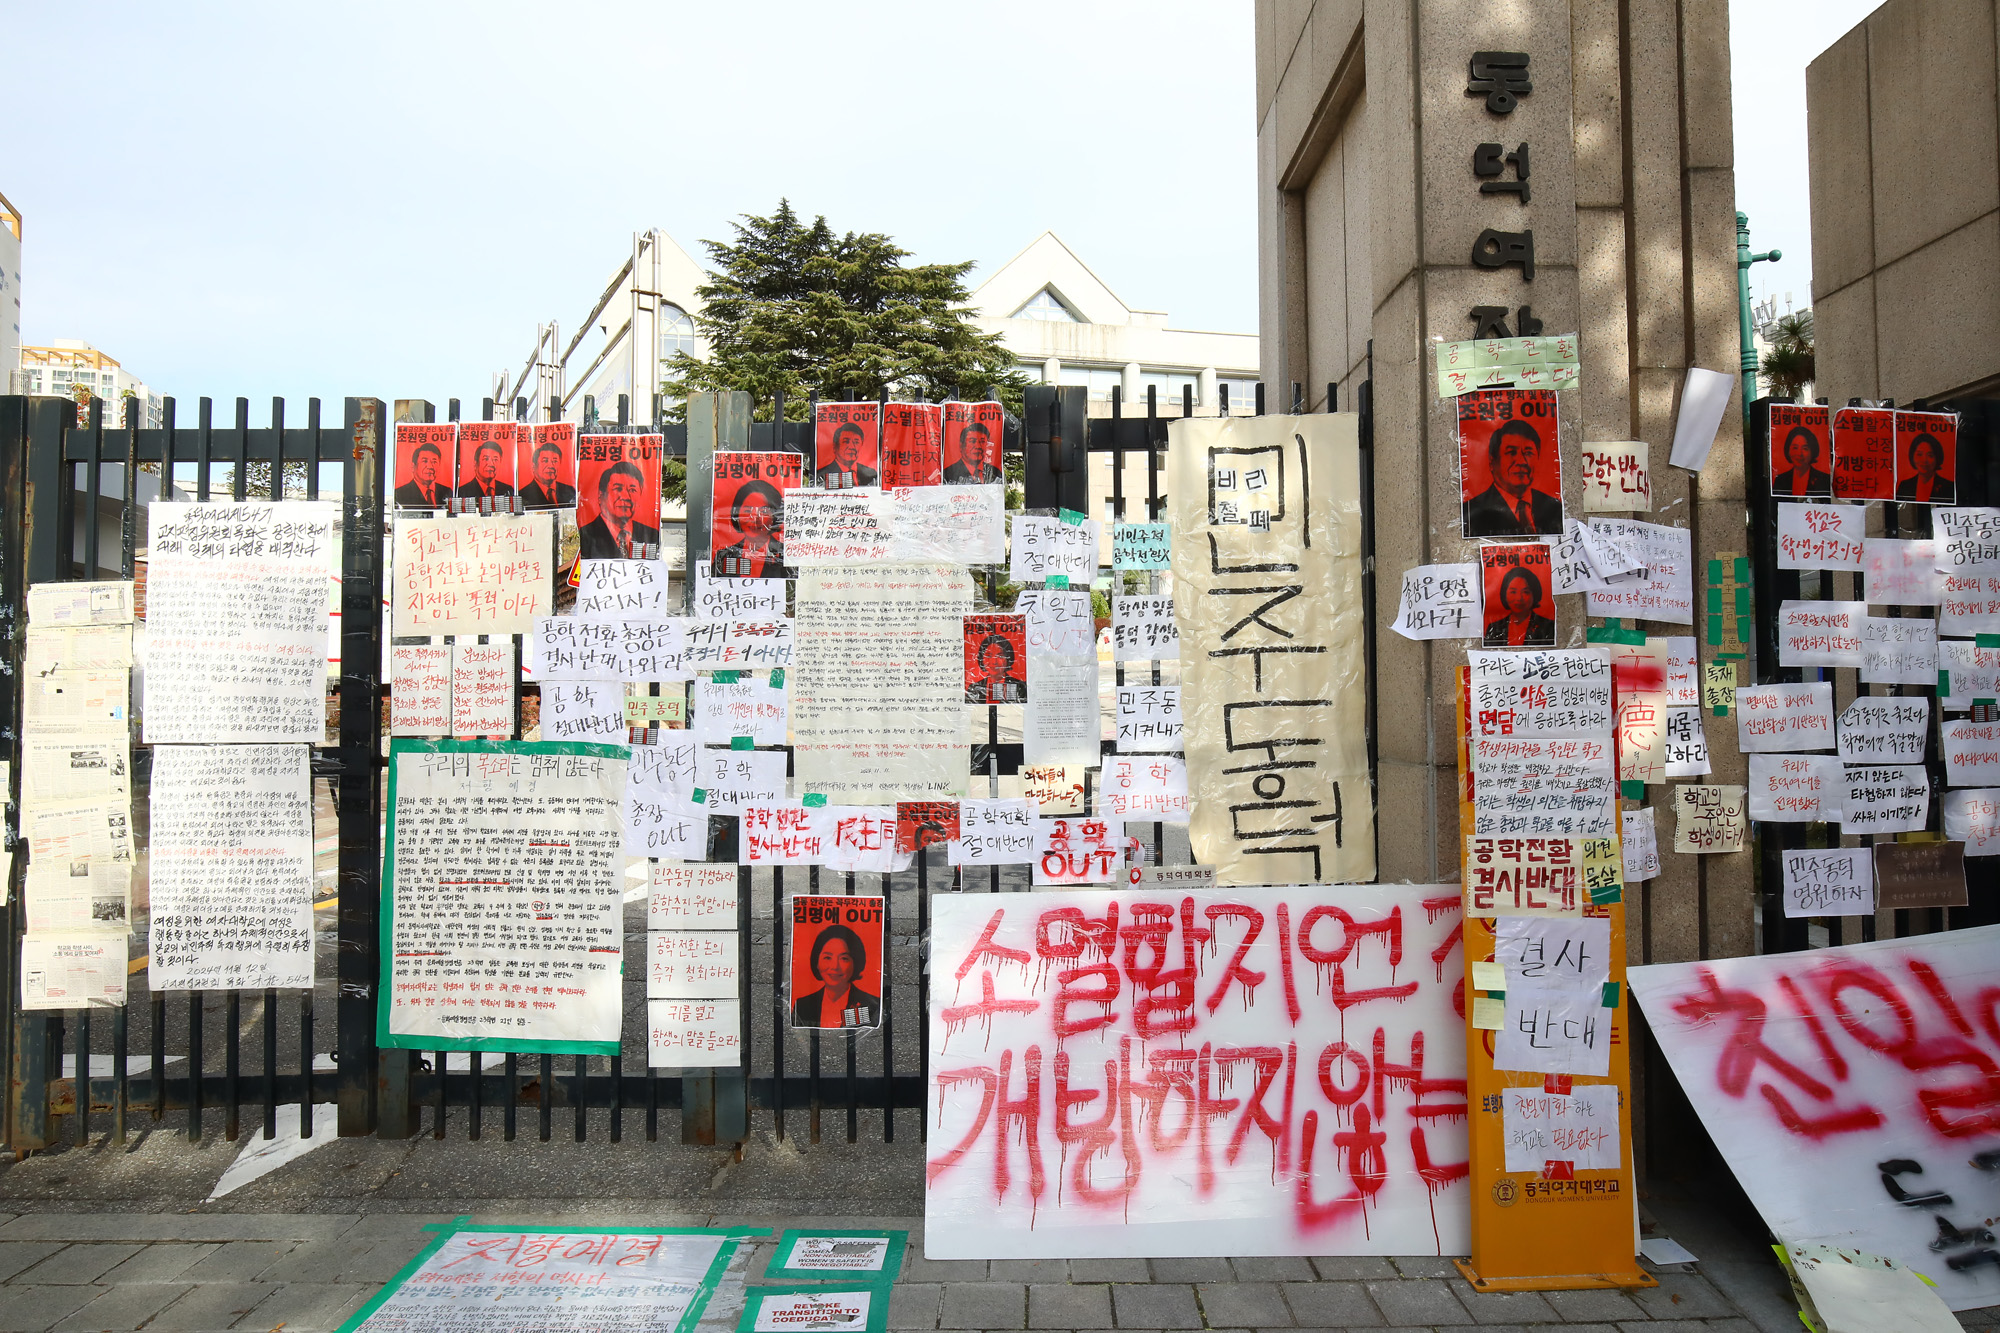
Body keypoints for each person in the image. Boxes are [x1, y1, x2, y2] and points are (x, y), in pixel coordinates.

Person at [1464, 419, 1563, 536]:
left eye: (1528, 453)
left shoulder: (1554, 508)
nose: (1521, 461)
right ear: (1492, 462)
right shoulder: (1471, 514)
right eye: (1511, 452)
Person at [791, 923, 878, 1028]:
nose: (835, 966)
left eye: (844, 958)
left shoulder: (869, 1003)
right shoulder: (802, 1005)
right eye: (827, 958)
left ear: (856, 962)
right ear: (816, 962)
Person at [577, 459, 661, 559]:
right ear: (601, 496)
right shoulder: (585, 535)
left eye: (632, 490)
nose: (626, 496)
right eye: (618, 489)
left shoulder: (651, 535)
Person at [713, 479, 785, 578]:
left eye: (763, 511)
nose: (755, 517)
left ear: (774, 516)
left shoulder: (785, 555)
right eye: (747, 510)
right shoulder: (724, 556)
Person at [1483, 565, 1555, 648]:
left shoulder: (1548, 627)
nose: (1519, 598)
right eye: (1513, 592)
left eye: (1526, 592)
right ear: (1504, 594)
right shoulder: (1494, 628)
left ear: (1535, 594)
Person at [1770, 425, 1832, 497]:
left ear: (1812, 451)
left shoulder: (1824, 480)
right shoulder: (1780, 480)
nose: (1799, 454)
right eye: (1795, 448)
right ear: (1788, 450)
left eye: (1805, 448)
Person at [455, 440, 516, 510]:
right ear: (475, 464)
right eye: (486, 459)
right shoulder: (463, 491)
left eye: (495, 460)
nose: (491, 464)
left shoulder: (508, 490)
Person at [966, 633, 1026, 703]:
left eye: (1000, 656)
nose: (994, 662)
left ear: (1008, 658)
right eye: (988, 656)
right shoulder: (974, 688)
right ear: (982, 658)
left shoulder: (1020, 687)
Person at [816, 422, 878, 488]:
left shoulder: (872, 474)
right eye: (846, 442)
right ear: (835, 446)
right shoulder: (822, 475)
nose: (851, 447)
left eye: (856, 442)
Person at [1896, 432, 1954, 503]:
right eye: (1919, 454)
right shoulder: (1905, 485)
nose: (1924, 460)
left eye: (1930, 455)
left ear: (1937, 458)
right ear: (1912, 456)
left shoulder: (1949, 487)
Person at [519, 440, 577, 509]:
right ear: (534, 466)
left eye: (555, 461)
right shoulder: (523, 495)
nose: (551, 466)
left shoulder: (570, 491)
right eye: (545, 461)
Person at [393, 441, 450, 509]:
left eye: (434, 462)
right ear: (413, 466)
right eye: (424, 461)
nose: (430, 466)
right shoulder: (400, 494)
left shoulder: (447, 492)